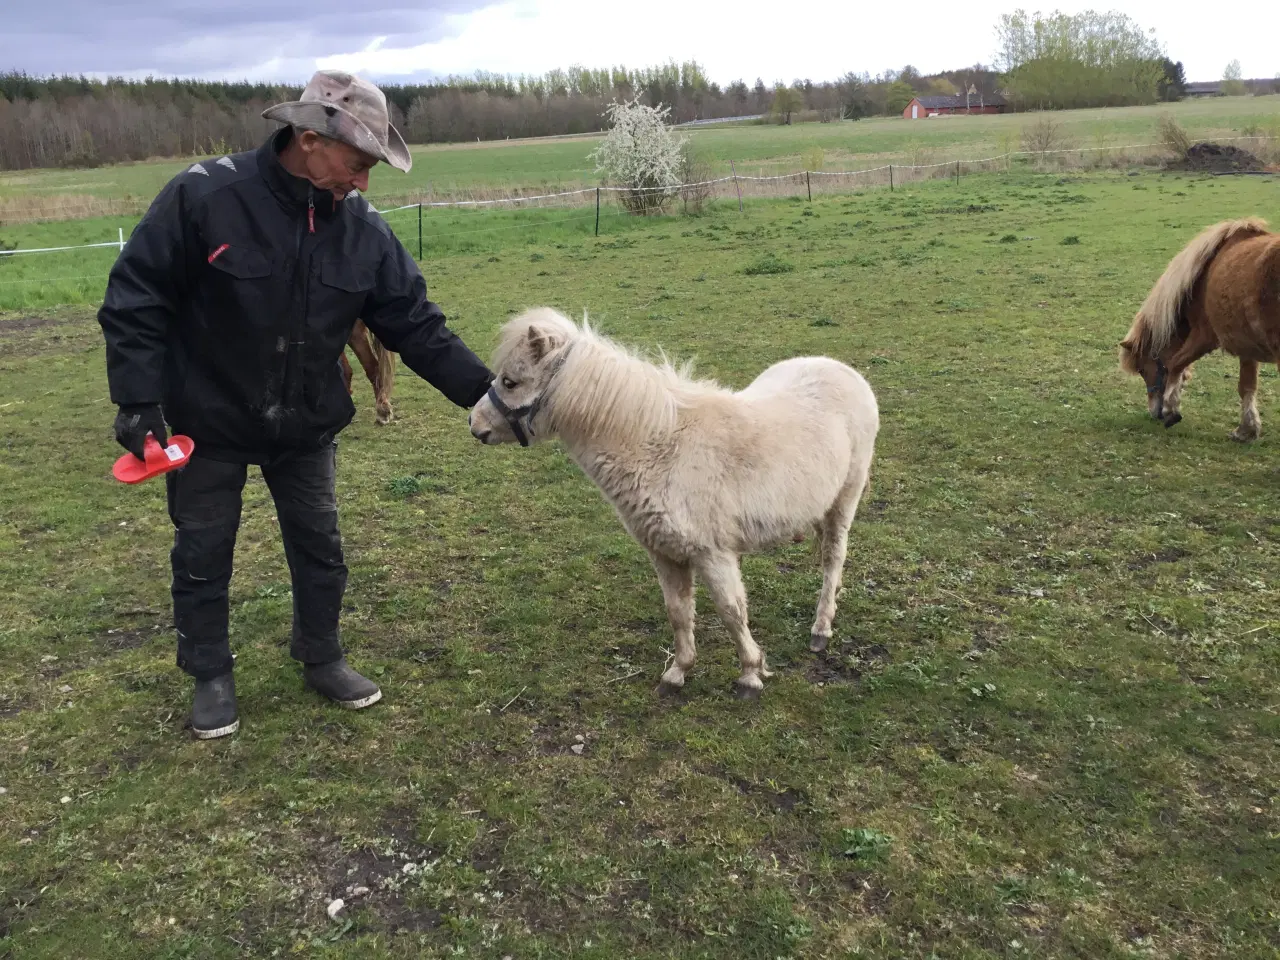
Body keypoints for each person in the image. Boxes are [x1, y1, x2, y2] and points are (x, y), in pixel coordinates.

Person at [98, 70, 493, 739]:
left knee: (320, 548)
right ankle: (210, 675)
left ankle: (322, 655)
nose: (364, 183)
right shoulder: (206, 196)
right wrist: (138, 401)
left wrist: (490, 397)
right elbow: (136, 295)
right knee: (202, 551)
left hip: (308, 423)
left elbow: (415, 324)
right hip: (208, 422)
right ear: (309, 140)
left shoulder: (362, 231)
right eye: (358, 164)